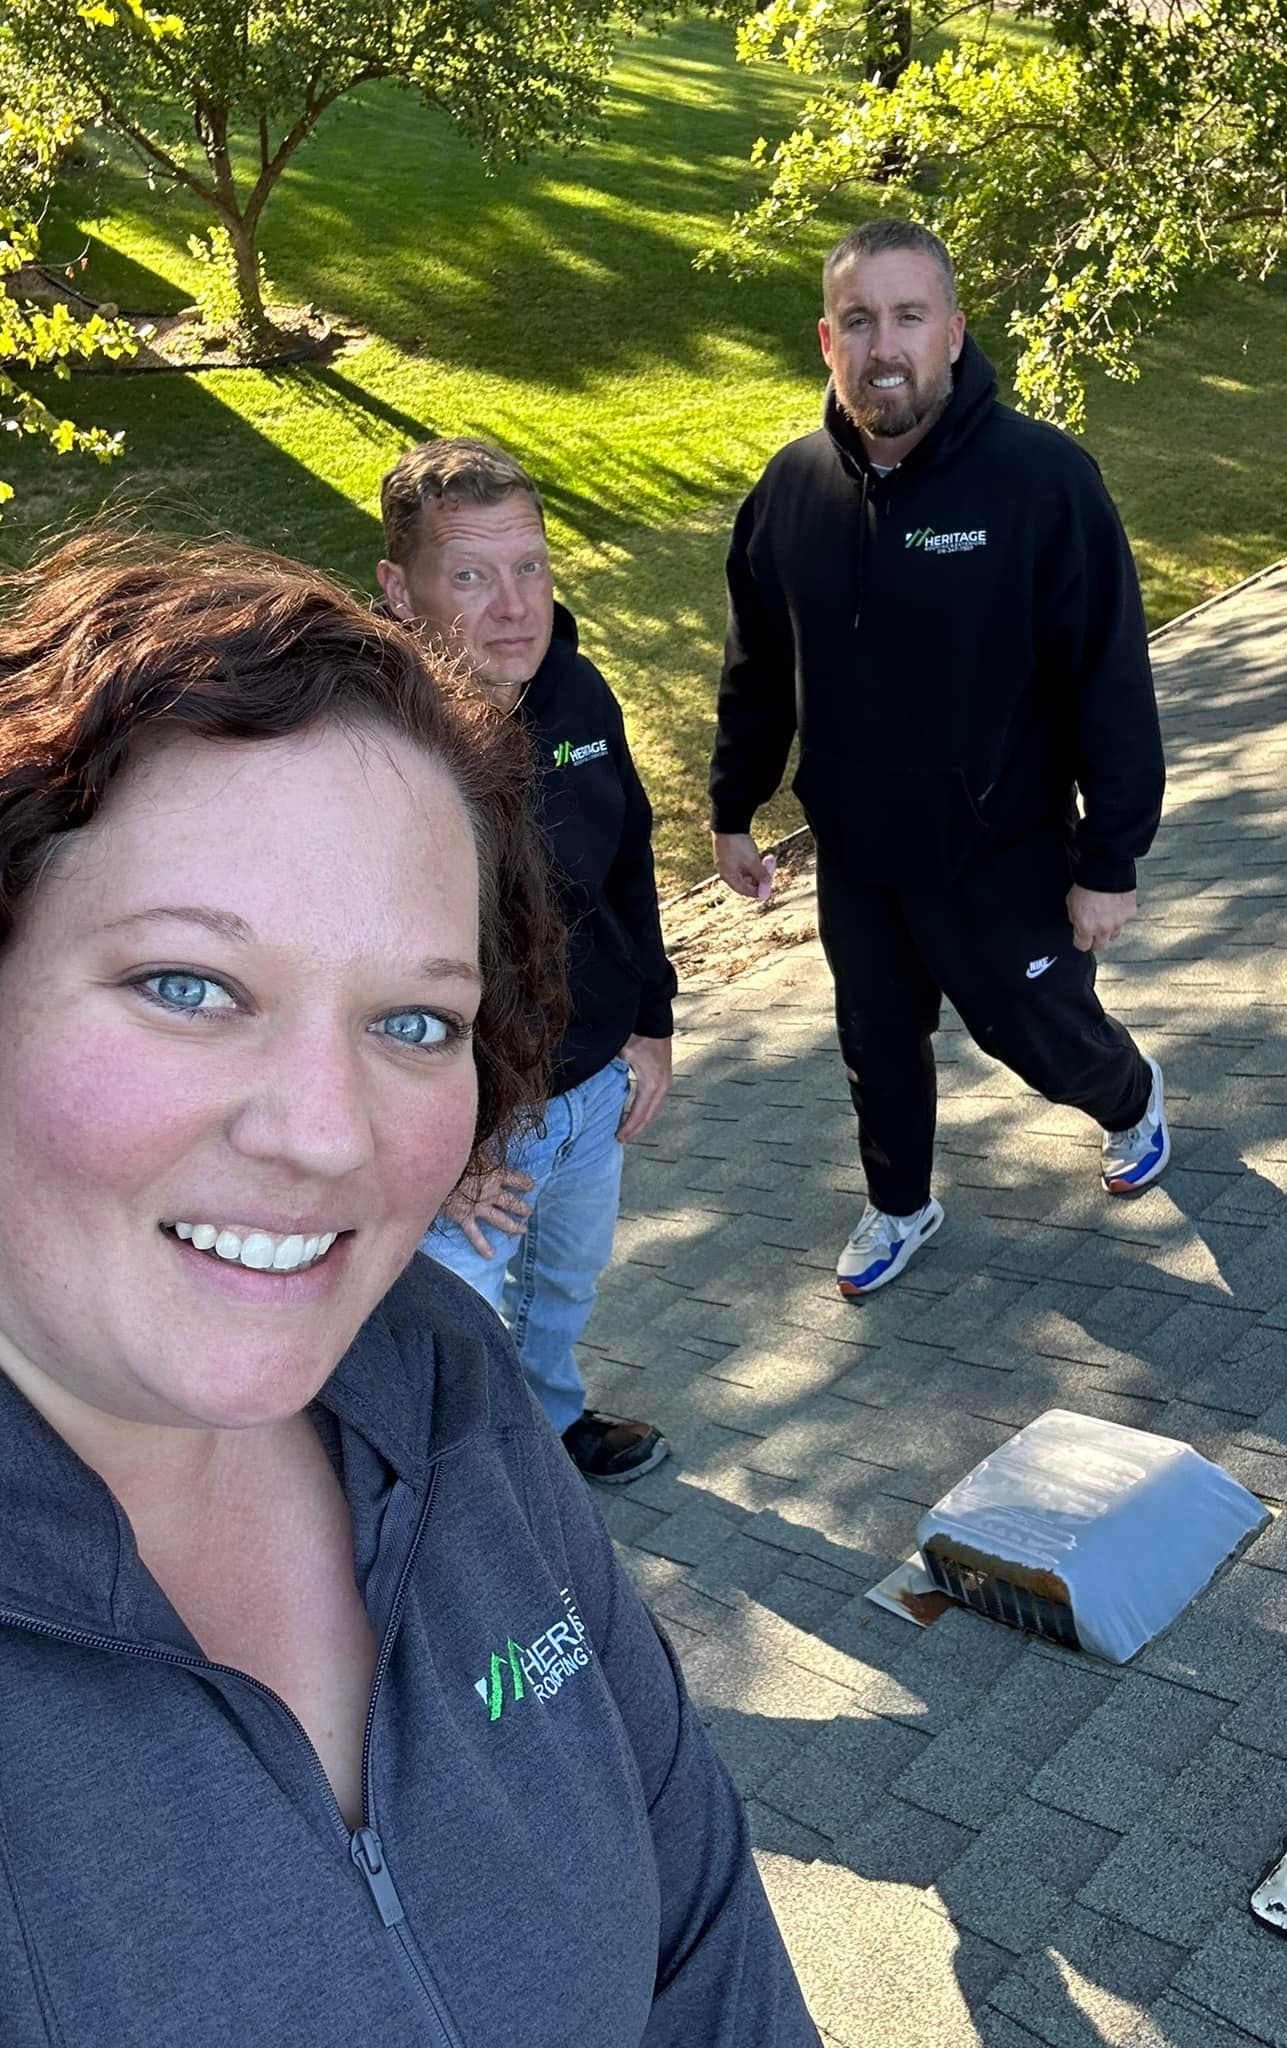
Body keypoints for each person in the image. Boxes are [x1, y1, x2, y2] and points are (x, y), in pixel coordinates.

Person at [0, 531, 818, 2046]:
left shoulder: (449, 1387)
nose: (326, 1137)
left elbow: (703, 1933)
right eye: (189, 986)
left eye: (413, 1023)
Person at [710, 219, 1170, 1299]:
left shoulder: (1041, 481)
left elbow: (1108, 675)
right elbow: (758, 661)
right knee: (874, 1041)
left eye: (910, 317)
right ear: (827, 341)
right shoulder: (791, 491)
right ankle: (900, 1202)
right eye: (860, 321)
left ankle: (1133, 1094)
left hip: (998, 847)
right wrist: (734, 803)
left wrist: (1110, 859)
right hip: (860, 853)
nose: (886, 346)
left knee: (1039, 1037)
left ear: (954, 334)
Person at [378, 439, 675, 1484]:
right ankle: (458, 1509)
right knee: (442, 1332)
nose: (515, 605)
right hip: (468, 1128)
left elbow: (628, 856)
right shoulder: (371, 749)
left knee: (565, 1286)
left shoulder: (580, 697)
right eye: (470, 574)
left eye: (532, 566)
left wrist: (655, 1020)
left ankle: (548, 1431)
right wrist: (434, 1147)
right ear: (399, 589)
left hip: (590, 1084)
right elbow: (357, 985)